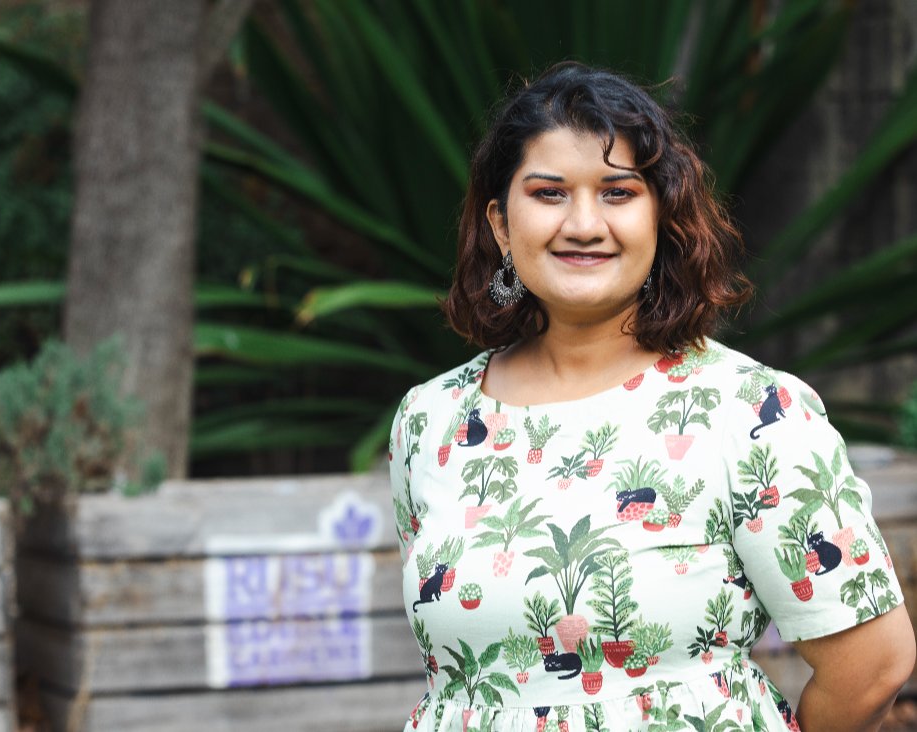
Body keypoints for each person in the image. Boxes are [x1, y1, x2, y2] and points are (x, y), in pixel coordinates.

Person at [388, 62, 914, 732]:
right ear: (500, 223)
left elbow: (872, 664)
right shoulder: (432, 419)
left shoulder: (751, 411)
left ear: (660, 215)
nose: (583, 223)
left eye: (617, 192)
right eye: (549, 193)